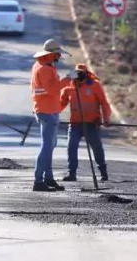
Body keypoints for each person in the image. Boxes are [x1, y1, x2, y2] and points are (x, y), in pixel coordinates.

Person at [30, 39, 75, 192]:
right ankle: (38, 180)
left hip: (46, 109)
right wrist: (69, 78)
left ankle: (48, 178)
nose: (59, 57)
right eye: (58, 54)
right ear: (53, 54)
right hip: (47, 111)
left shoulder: (41, 66)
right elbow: (53, 89)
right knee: (47, 146)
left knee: (50, 145)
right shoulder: (46, 69)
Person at [60, 64, 112, 182]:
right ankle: (71, 173)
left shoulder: (95, 85)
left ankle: (103, 172)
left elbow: (104, 103)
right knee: (71, 147)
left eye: (82, 73)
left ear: (86, 73)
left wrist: (106, 119)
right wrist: (51, 113)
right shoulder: (69, 86)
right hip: (75, 124)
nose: (79, 76)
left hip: (92, 124)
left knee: (97, 148)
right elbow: (61, 103)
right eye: (77, 73)